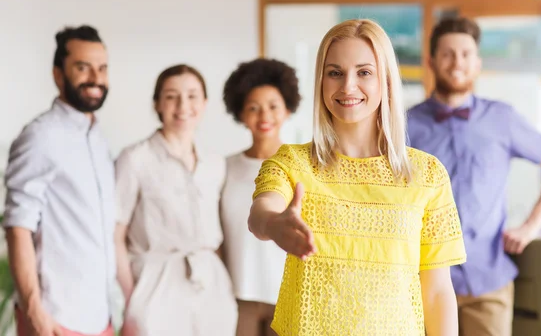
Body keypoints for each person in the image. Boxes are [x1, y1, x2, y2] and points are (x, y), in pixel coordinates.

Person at [247, 19, 467, 336]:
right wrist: (273, 224)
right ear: (321, 81)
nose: (348, 86)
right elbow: (261, 211)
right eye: (335, 72)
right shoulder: (292, 162)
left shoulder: (427, 175)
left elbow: (436, 293)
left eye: (364, 72)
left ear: (386, 82)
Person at [406, 16, 541, 336]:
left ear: (478, 63)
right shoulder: (405, 126)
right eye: (448, 54)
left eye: (466, 54)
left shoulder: (502, 118)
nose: (458, 63)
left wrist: (529, 227)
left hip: (489, 282)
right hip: (423, 282)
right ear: (431, 61)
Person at [3, 25, 115, 336]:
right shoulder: (40, 136)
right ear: (57, 74)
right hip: (56, 319)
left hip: (99, 317)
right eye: (83, 67)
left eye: (102, 68)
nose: (96, 78)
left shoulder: (100, 140)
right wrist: (35, 311)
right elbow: (17, 227)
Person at [113, 64, 237, 336]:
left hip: (209, 281)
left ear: (204, 103)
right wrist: (132, 295)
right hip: (155, 280)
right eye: (171, 96)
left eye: (192, 95)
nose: (183, 105)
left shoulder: (215, 163)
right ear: (157, 103)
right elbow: (115, 233)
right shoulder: (135, 159)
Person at [221, 58, 301, 336]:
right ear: (241, 114)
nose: (264, 115)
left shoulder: (301, 166)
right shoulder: (225, 168)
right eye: (253, 107)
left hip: (289, 296)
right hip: (238, 297)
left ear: (288, 109)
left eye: (273, 106)